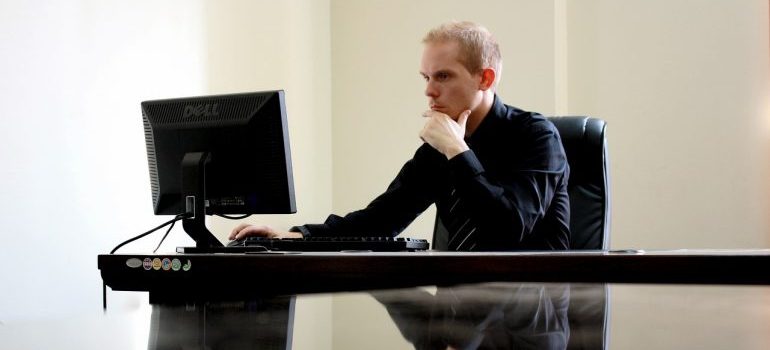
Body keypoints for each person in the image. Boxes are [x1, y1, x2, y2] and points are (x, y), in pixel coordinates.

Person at [230, 21, 570, 251]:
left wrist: (457, 150)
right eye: (425, 77)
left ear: (484, 78)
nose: (429, 91)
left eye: (443, 76)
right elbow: (380, 220)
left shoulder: (537, 137)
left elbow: (509, 229)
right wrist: (295, 236)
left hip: (529, 314)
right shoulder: (439, 147)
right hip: (459, 311)